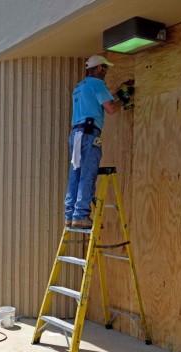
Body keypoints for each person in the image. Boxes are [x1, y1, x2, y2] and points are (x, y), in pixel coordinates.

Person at [65, 54, 122, 229]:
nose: (106, 71)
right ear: (98, 68)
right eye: (105, 68)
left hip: (76, 134)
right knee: (87, 174)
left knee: (75, 175)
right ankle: (81, 215)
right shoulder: (97, 84)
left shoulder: (79, 87)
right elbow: (111, 108)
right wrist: (123, 99)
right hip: (89, 134)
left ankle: (70, 214)